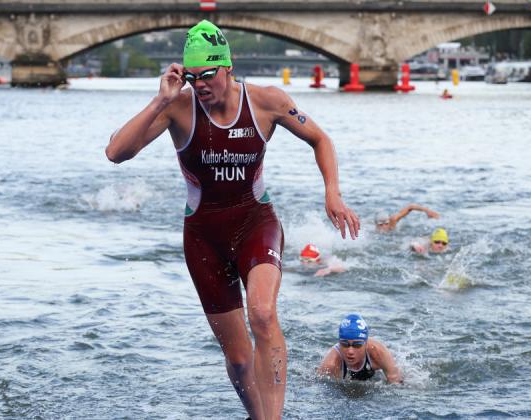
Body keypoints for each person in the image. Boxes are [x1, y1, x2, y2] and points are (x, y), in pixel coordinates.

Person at [105, 20, 360, 420]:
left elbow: (320, 139)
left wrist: (333, 192)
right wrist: (160, 101)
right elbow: (115, 153)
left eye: (208, 74)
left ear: (228, 66)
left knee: (261, 313)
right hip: (203, 239)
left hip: (255, 222)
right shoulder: (177, 108)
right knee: (239, 359)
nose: (200, 84)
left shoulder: (266, 102)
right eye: (192, 77)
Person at [317, 314, 403, 384]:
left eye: (357, 345)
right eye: (345, 344)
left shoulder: (378, 352)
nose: (350, 351)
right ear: (339, 343)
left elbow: (396, 382)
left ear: (366, 344)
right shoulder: (331, 365)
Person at [375, 203, 440, 233]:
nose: (384, 226)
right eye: (380, 224)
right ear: (376, 225)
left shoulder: (393, 220)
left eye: (386, 223)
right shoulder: (373, 231)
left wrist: (427, 210)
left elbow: (410, 207)